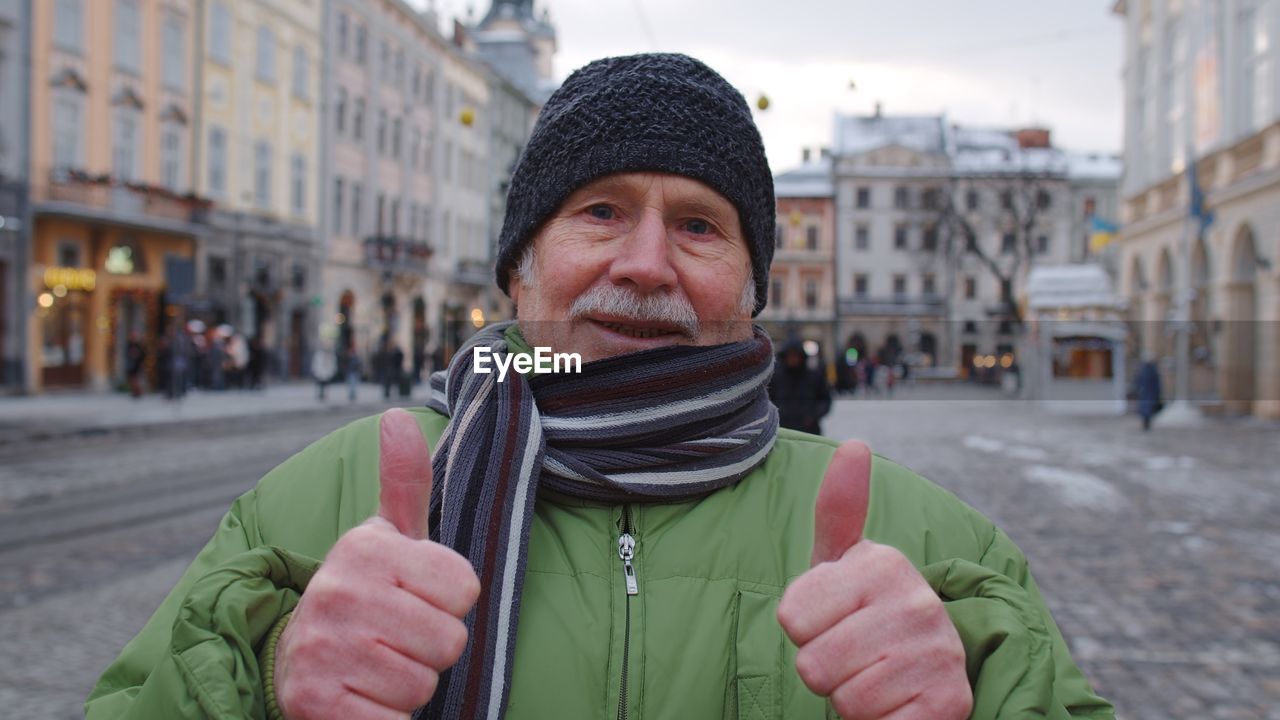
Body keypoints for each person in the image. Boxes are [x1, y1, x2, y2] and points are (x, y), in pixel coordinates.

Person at [87, 54, 1112, 720]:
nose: (646, 262)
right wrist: (269, 688)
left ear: (752, 290)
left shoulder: (929, 546)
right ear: (516, 269)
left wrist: (974, 700)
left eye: (699, 226)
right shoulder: (310, 504)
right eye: (599, 211)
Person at [769, 338, 832, 434]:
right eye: (790, 355)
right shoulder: (775, 378)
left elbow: (825, 400)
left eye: (796, 355)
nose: (793, 358)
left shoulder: (814, 377)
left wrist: (813, 415)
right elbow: (767, 400)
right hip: (782, 431)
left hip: (809, 431)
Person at [1134, 357, 1163, 431]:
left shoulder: (1143, 371)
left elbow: (1137, 382)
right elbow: (1157, 384)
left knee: (1146, 409)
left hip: (1146, 394)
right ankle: (1146, 423)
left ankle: (1146, 423)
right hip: (1148, 394)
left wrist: (1138, 390)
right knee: (1148, 409)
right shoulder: (1152, 371)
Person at [124, 331, 146, 399]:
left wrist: (141, 363)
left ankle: (138, 392)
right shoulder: (128, 345)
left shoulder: (138, 345)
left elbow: (142, 355)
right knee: (131, 379)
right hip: (130, 364)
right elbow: (126, 354)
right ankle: (134, 392)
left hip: (137, 365)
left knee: (136, 379)